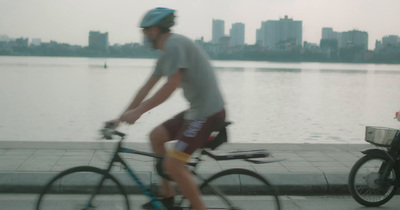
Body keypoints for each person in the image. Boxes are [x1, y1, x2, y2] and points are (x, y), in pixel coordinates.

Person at [107, 7, 226, 210]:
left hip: (207, 113)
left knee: (173, 165)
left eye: (145, 31)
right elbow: (146, 87)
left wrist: (139, 112)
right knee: (156, 136)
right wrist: (120, 118)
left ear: (155, 30)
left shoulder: (174, 45)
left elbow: (171, 85)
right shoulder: (166, 54)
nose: (143, 36)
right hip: (196, 112)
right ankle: (168, 196)